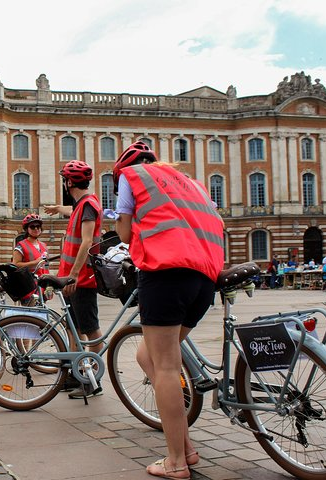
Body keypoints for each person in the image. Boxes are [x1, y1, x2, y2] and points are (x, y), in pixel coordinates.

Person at [113, 141, 225, 479]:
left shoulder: (131, 176)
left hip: (166, 273)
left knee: (163, 366)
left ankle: (175, 462)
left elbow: (124, 228)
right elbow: (215, 222)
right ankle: (186, 447)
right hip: (205, 278)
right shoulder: (191, 183)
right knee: (148, 355)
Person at [44, 160, 103, 399]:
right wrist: (59, 208)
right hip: (72, 278)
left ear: (69, 182)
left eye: (65, 181)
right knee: (75, 328)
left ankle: (93, 378)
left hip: (82, 279)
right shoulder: (81, 205)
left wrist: (74, 276)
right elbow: (74, 211)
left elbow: (87, 241)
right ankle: (77, 374)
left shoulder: (88, 205)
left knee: (91, 330)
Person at [12, 213, 50, 305]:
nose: (36, 229)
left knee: (43, 315)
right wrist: (35, 262)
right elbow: (15, 264)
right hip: (28, 287)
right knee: (30, 316)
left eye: (38, 226)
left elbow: (46, 267)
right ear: (27, 229)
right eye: (32, 227)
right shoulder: (21, 245)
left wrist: (49, 285)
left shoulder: (44, 246)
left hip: (43, 287)